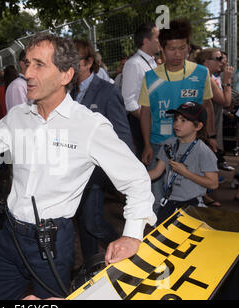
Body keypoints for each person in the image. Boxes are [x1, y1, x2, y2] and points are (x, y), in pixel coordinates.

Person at [0, 33, 156, 299]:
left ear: (66, 75)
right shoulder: (18, 116)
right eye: (26, 63)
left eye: (39, 64)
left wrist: (132, 235)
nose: (27, 72)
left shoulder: (89, 126)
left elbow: (137, 179)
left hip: (52, 243)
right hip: (8, 237)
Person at [138, 19, 215, 213]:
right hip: (159, 144)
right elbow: (146, 112)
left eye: (182, 48)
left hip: (190, 146)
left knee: (189, 198)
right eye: (172, 49)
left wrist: (211, 137)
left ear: (188, 47)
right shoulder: (151, 77)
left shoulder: (201, 73)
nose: (177, 54)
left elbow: (207, 106)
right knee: (157, 200)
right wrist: (147, 144)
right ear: (162, 48)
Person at [71, 39, 134, 263]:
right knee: (84, 223)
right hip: (74, 172)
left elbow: (123, 135)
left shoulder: (107, 92)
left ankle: (126, 254)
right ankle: (90, 268)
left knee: (93, 222)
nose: (67, 66)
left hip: (96, 173)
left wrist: (125, 175)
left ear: (88, 62)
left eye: (73, 60)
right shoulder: (68, 92)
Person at [148, 101, 218, 225]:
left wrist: (185, 173)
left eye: (183, 120)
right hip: (169, 203)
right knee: (162, 240)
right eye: (176, 119)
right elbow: (157, 172)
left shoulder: (203, 151)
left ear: (198, 126)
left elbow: (213, 184)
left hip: (191, 205)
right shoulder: (169, 143)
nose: (177, 124)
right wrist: (133, 178)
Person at [122, 22, 161, 158]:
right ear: (146, 41)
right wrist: (148, 120)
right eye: (157, 37)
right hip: (140, 126)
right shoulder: (133, 64)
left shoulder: (152, 62)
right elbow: (129, 102)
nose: (160, 41)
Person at [196, 48, 235, 173]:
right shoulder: (206, 77)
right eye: (218, 59)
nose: (222, 62)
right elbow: (226, 102)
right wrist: (227, 81)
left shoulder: (208, 76)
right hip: (205, 128)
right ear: (207, 62)